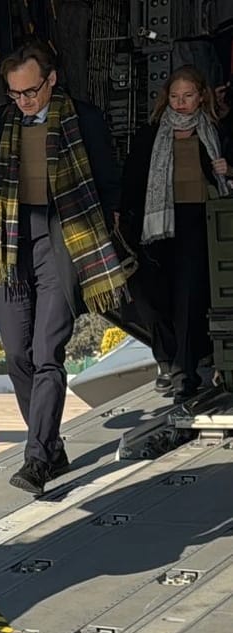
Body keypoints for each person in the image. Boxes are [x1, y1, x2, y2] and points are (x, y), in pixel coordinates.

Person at [0, 40, 128, 495]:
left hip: (63, 237)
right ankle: (53, 446)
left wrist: (109, 228)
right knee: (18, 355)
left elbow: (107, 180)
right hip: (11, 240)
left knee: (47, 351)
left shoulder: (84, 118)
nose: (24, 102)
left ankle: (38, 457)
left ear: (52, 79)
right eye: (15, 94)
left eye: (31, 92)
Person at [120, 66, 231, 404]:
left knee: (188, 297)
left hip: (198, 223)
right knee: (155, 298)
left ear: (201, 97)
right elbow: (132, 183)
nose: (180, 104)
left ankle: (183, 374)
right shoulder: (150, 135)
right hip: (156, 228)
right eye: (174, 97)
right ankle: (170, 359)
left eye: (187, 97)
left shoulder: (215, 131)